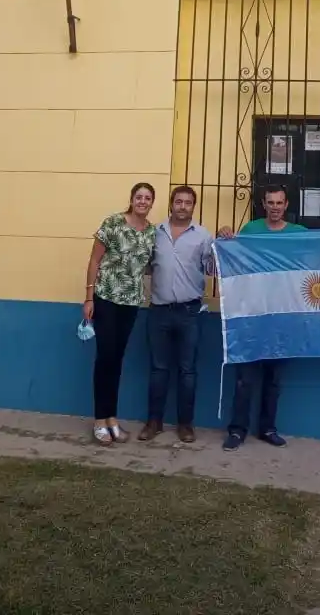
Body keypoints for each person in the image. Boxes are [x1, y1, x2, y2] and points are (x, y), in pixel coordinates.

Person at [217, 185, 309, 451]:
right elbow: (233, 257)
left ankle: (267, 428)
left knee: (273, 380)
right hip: (252, 318)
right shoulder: (250, 230)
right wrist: (225, 235)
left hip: (283, 318)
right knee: (245, 379)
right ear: (263, 204)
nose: (275, 207)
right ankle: (237, 431)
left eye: (280, 202)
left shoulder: (299, 234)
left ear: (286, 204)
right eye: (270, 202)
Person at [82, 182, 157, 446]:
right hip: (106, 300)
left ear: (152, 203)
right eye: (139, 197)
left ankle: (112, 418)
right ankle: (100, 421)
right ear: (132, 199)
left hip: (131, 303)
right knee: (105, 359)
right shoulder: (113, 223)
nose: (143, 201)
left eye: (148, 198)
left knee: (117, 359)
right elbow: (94, 260)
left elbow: (147, 266)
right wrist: (89, 296)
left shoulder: (150, 232)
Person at [139, 185, 213, 445]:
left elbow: (212, 269)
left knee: (187, 371)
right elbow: (145, 265)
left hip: (189, 313)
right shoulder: (154, 233)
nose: (183, 206)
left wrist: (225, 246)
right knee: (158, 369)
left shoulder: (203, 236)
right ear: (171, 204)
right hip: (158, 311)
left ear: (194, 206)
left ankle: (185, 425)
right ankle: (154, 422)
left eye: (188, 202)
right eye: (178, 202)